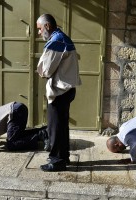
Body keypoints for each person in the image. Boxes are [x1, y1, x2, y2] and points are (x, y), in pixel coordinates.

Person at [36, 14, 81, 171]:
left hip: (60, 91)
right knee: (62, 126)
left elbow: (45, 70)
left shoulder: (56, 41)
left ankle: (56, 161)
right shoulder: (63, 38)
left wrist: (40, 71)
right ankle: (64, 157)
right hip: (67, 89)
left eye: (40, 29)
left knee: (55, 127)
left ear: (47, 26)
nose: (39, 32)